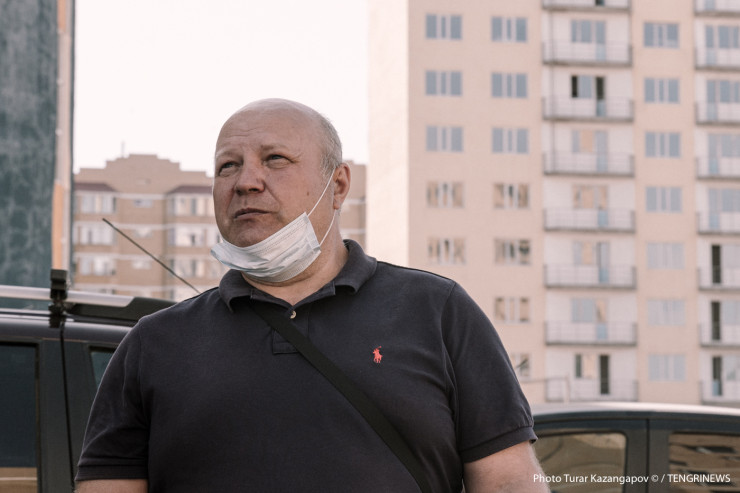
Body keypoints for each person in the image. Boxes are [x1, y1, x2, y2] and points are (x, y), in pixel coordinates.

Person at [75, 98, 548, 492]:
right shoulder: (154, 344)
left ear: (337, 186)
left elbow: (508, 482)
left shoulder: (437, 311)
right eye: (228, 166)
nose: (246, 182)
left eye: (275, 159)